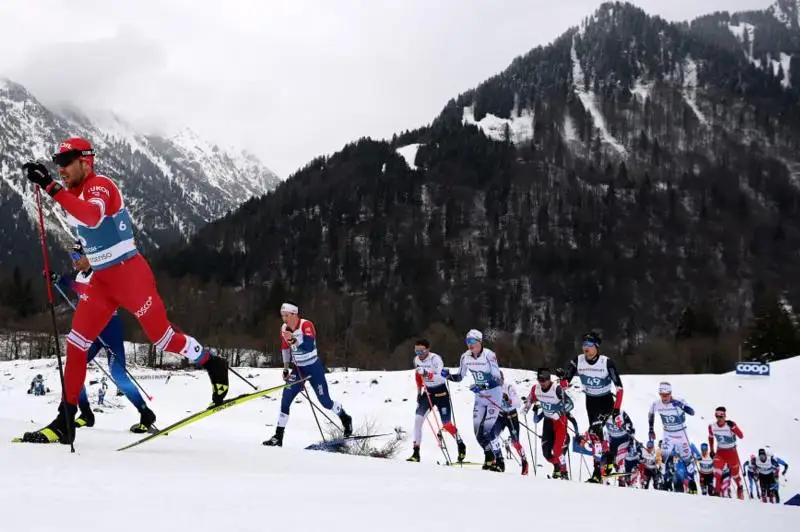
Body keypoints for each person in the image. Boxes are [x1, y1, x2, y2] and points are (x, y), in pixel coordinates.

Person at [20, 139, 229, 444]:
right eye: (57, 163)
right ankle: (65, 419)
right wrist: (48, 183)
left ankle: (211, 362)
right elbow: (80, 218)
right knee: (76, 345)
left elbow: (92, 216)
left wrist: (50, 186)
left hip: (131, 277)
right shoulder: (75, 192)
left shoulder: (100, 185)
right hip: (102, 282)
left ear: (86, 162)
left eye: (66, 162)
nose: (61, 169)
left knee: (163, 339)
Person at [51, 242, 157, 433]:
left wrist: (62, 280)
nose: (74, 261)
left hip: (110, 328)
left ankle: (145, 413)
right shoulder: (80, 275)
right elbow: (79, 288)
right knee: (74, 370)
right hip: (92, 329)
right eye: (72, 257)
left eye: (77, 257)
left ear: (89, 256)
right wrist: (59, 279)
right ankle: (86, 413)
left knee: (118, 375)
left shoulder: (100, 275)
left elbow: (88, 291)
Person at [263, 303, 352, 447]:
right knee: (285, 399)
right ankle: (278, 436)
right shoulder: (284, 328)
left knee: (325, 401)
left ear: (294, 314)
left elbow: (308, 347)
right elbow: (285, 348)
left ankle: (345, 418)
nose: (284, 319)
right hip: (298, 369)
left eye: (287, 316)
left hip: (313, 368)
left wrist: (293, 339)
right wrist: (285, 368)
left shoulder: (306, 325)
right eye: (282, 316)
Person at [559, 331, 624, 482]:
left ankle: (598, 472)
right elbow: (566, 382)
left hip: (606, 402)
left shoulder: (606, 362)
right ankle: (607, 459)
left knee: (594, 431)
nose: (585, 348)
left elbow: (620, 388)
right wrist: (563, 379)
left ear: (596, 346)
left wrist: (616, 410)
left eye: (589, 344)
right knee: (596, 437)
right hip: (591, 402)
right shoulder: (578, 360)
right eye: (584, 344)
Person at [442, 329, 504, 471]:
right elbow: (459, 377)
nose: (469, 344)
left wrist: (482, 386)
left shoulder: (489, 355)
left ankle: (500, 460)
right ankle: (489, 456)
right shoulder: (465, 357)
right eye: (467, 341)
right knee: (478, 433)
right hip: (480, 396)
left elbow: (497, 379)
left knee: (488, 430)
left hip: (494, 394)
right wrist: (447, 375)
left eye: (472, 341)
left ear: (480, 341)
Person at [406, 339, 466, 463]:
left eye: (421, 351)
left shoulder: (435, 359)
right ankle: (416, 453)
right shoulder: (416, 360)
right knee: (418, 420)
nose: (419, 354)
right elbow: (418, 376)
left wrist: (426, 373)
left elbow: (440, 377)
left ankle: (460, 443)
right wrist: (419, 392)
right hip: (428, 392)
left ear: (428, 350)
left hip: (441, 393)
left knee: (446, 424)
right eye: (416, 351)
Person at [647, 381, 698, 494]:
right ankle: (663, 484)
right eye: (662, 395)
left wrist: (680, 405)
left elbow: (692, 412)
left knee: (687, 461)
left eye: (666, 395)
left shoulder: (679, 401)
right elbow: (651, 413)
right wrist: (651, 429)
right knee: (663, 460)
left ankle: (692, 483)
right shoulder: (656, 404)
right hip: (668, 434)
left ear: (671, 393)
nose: (664, 398)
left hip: (681, 434)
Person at [526, 367, 573, 479]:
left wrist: (559, 412)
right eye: (540, 380)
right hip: (547, 422)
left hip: (559, 422)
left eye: (544, 380)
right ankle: (557, 466)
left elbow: (570, 404)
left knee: (557, 451)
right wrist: (526, 407)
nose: (542, 383)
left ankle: (564, 471)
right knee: (546, 454)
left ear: (549, 379)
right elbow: (530, 398)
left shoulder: (556, 389)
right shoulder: (536, 388)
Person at [707, 406, 744, 499]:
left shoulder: (730, 425)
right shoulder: (712, 426)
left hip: (732, 453)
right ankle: (716, 493)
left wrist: (734, 427)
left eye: (721, 416)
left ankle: (739, 487)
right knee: (717, 472)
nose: (719, 419)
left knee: (735, 475)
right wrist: (711, 450)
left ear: (725, 416)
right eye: (717, 416)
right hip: (720, 452)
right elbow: (710, 437)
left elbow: (741, 436)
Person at [496, 372, 528, 475]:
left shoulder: (509, 387)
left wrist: (509, 400)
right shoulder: (493, 387)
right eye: (495, 379)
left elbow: (518, 403)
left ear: (503, 378)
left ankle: (524, 462)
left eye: (499, 379)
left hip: (511, 416)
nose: (498, 381)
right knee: (493, 436)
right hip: (501, 416)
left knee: (515, 442)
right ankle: (497, 460)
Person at [602, 408, 635, 479]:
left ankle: (621, 469)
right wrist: (605, 440)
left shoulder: (622, 413)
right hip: (613, 440)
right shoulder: (604, 413)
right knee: (610, 456)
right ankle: (609, 470)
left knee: (621, 456)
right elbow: (602, 427)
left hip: (623, 439)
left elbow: (631, 426)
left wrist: (625, 426)